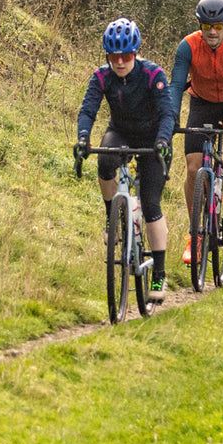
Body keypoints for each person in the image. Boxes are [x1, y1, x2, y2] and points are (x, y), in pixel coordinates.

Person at [74, 17, 176, 302]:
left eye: (127, 56)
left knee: (151, 203)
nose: (120, 62)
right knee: (105, 160)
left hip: (153, 139)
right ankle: (111, 215)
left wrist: (164, 140)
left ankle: (159, 275)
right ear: (108, 56)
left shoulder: (153, 74)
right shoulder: (102, 76)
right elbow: (87, 110)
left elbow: (168, 113)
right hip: (120, 132)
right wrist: (83, 138)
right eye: (114, 56)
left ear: (136, 53)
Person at [168, 0, 223, 265]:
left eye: (218, 27)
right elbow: (175, 85)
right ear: (199, 25)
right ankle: (195, 234)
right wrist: (170, 117)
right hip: (201, 101)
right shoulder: (188, 47)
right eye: (207, 26)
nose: (213, 32)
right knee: (193, 167)